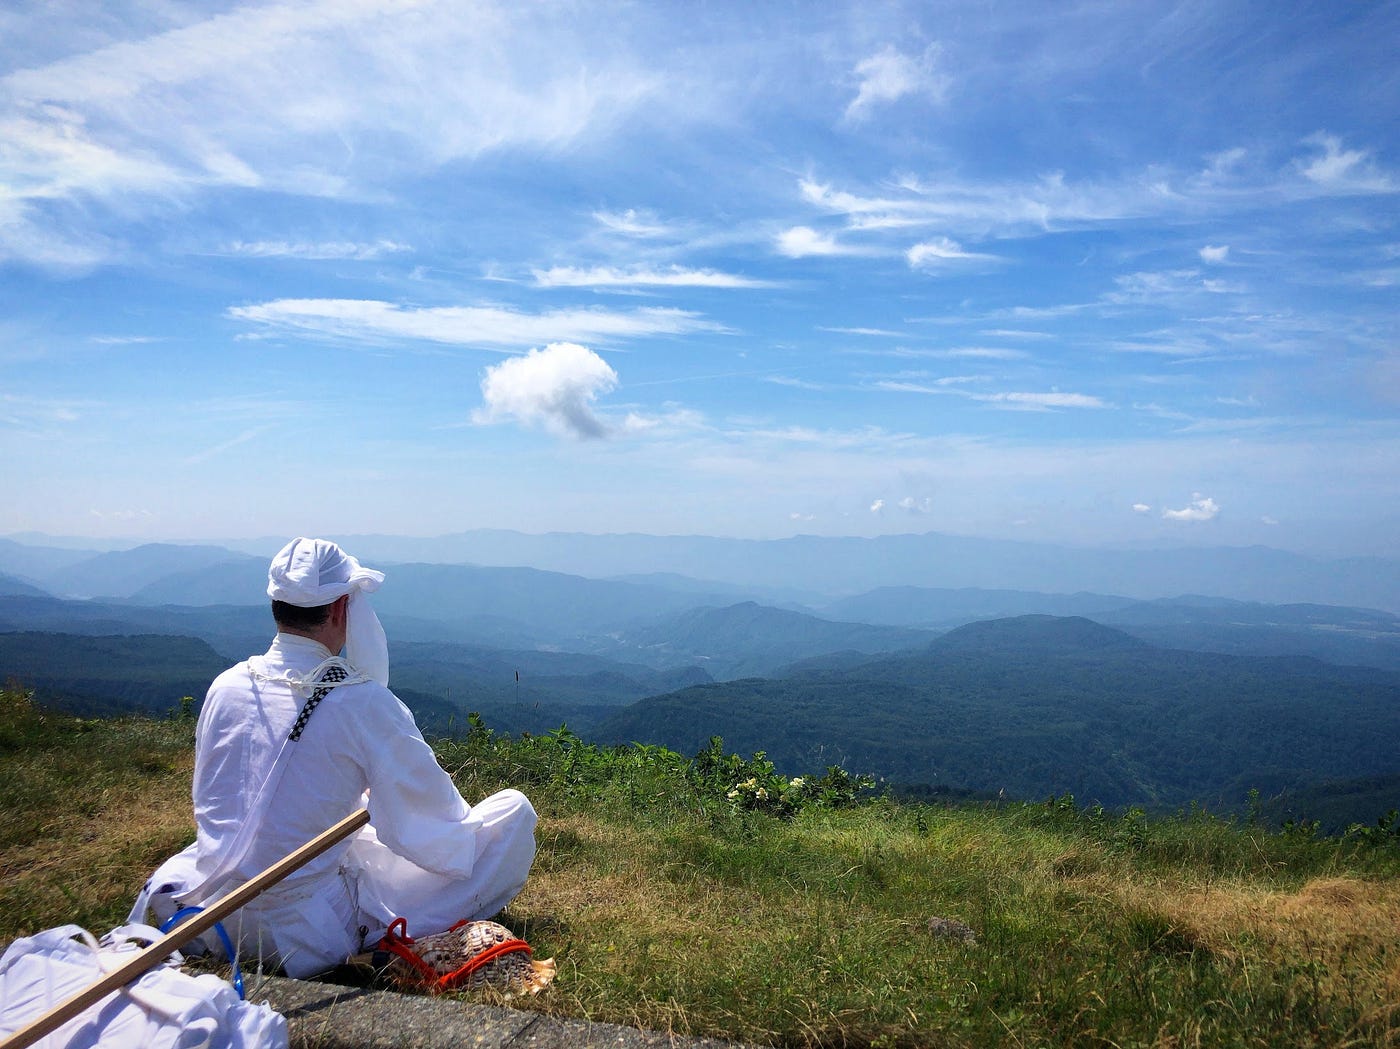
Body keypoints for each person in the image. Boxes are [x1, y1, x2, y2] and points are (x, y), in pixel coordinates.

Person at [129, 538, 537, 978]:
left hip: (210, 913)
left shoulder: (225, 686)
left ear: (277, 605)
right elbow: (435, 822)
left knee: (349, 824)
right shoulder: (360, 702)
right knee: (514, 814)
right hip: (304, 935)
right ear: (342, 608)